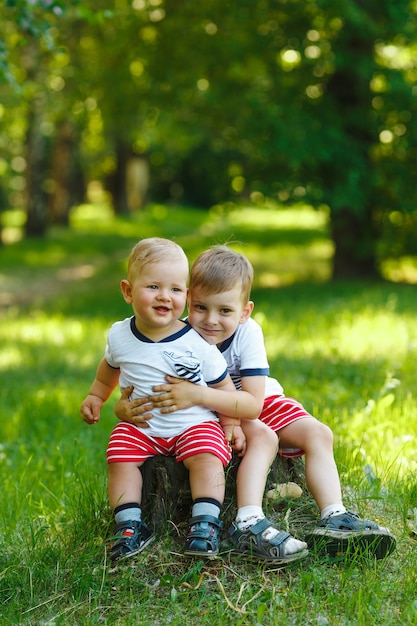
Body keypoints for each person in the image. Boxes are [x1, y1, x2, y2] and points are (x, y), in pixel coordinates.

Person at [116, 245, 396, 560]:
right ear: (189, 298)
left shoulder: (248, 333)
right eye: (200, 307)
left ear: (245, 311)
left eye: (225, 311)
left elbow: (254, 401)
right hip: (218, 412)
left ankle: (334, 517)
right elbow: (143, 379)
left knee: (320, 434)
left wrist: (200, 395)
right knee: (264, 436)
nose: (210, 320)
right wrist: (122, 408)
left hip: (258, 398)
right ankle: (248, 520)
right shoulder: (173, 332)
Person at [80, 237, 243, 562]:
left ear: (186, 295)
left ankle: (206, 522)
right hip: (142, 426)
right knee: (119, 453)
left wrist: (232, 424)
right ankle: (129, 525)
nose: (165, 296)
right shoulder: (120, 335)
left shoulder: (196, 342)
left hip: (193, 423)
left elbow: (224, 388)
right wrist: (96, 395)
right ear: (128, 291)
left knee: (208, 456)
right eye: (153, 286)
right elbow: (108, 369)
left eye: (175, 289)